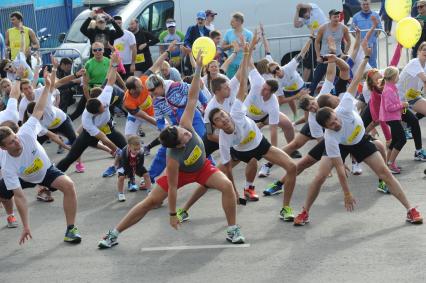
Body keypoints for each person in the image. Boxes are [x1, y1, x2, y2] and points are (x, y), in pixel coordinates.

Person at [98, 52, 245, 249]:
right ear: (179, 146)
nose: (186, 132)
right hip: (182, 173)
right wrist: (172, 214)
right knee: (151, 202)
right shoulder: (173, 158)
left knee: (226, 186)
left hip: (202, 168)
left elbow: (192, 96)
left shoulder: (185, 124)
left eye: (181, 129)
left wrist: (198, 69)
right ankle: (113, 233)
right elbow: (173, 189)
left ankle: (232, 229)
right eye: (183, 135)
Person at [293, 44, 423, 226]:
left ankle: (410, 210)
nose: (337, 123)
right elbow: (339, 168)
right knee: (320, 176)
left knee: (385, 173)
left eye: (336, 119)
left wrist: (366, 59)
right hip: (342, 144)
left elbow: (354, 82)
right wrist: (347, 193)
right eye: (332, 124)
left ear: (335, 112)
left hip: (360, 141)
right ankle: (305, 212)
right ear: (326, 128)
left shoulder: (344, 106)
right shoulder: (331, 137)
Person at [209, 39, 297, 220]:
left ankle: (285, 208)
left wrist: (246, 52)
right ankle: (190, 197)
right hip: (240, 142)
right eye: (220, 119)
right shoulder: (219, 109)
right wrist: (232, 190)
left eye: (266, 89)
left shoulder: (264, 101)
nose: (262, 90)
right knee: (214, 175)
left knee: (292, 167)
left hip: (257, 139)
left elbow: (242, 79)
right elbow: (245, 76)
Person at [0, 72, 82, 245]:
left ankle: (71, 230)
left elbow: (38, 109)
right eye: (11, 143)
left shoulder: (26, 132)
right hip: (24, 177)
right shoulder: (8, 166)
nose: (17, 142)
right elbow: (20, 198)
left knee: (69, 186)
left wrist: (46, 87)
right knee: (3, 194)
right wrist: (26, 226)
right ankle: (9, 215)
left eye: (15, 138)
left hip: (46, 172)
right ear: (3, 148)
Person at [56, 53, 127, 174]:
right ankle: (53, 176)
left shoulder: (103, 98)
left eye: (103, 106)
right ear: (95, 114)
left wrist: (114, 64)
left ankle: (126, 171)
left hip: (107, 126)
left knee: (126, 149)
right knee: (71, 157)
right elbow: (103, 138)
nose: (105, 108)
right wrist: (115, 150)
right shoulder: (87, 120)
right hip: (89, 134)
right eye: (102, 110)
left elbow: (110, 79)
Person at [311, 9, 351, 95]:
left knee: (344, 77)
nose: (337, 18)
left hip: (337, 57)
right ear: (330, 18)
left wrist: (345, 52)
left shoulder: (343, 28)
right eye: (334, 17)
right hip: (324, 58)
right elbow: (317, 42)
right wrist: (318, 56)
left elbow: (349, 41)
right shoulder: (323, 28)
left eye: (338, 16)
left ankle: (346, 95)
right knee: (315, 80)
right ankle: (308, 99)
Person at [379, 66, 408, 173]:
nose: (399, 76)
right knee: (402, 140)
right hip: (391, 118)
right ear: (393, 77)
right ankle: (391, 163)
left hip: (393, 117)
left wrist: (402, 107)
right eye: (397, 75)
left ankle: (388, 163)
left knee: (395, 140)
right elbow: (389, 107)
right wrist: (402, 105)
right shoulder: (388, 90)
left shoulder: (391, 87)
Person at [293, 3, 328, 81]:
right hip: (316, 39)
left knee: (326, 61)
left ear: (308, 10)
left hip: (326, 38)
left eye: (307, 16)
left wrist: (299, 7)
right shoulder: (304, 18)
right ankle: (304, 84)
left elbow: (300, 4)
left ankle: (326, 84)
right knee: (308, 63)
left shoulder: (314, 7)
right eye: (305, 17)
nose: (307, 18)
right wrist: (297, 11)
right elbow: (296, 25)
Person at [116, 135, 151, 202]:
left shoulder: (141, 151)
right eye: (135, 149)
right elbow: (125, 165)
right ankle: (120, 193)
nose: (137, 151)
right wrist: (130, 175)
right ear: (129, 146)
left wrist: (137, 171)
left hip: (136, 164)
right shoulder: (124, 152)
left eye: (138, 148)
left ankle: (149, 191)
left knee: (146, 174)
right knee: (121, 177)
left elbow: (141, 164)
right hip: (124, 165)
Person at [351, 0, 382, 68]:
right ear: (361, 5)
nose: (365, 6)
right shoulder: (355, 16)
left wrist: (374, 38)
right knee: (361, 62)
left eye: (367, 4)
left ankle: (373, 77)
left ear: (370, 4)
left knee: (372, 62)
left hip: (372, 44)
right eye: (364, 4)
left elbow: (379, 28)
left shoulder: (375, 15)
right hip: (361, 45)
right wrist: (358, 39)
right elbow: (352, 30)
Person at [222, 12, 253, 78]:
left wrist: (244, 45)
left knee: (243, 85)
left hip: (244, 64)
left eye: (232, 21)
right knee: (230, 86)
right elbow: (222, 47)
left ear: (239, 22)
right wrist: (232, 45)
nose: (230, 23)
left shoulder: (249, 34)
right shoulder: (228, 33)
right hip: (231, 65)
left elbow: (253, 47)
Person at [113, 16, 137, 80]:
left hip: (127, 64)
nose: (118, 24)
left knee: (128, 84)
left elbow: (134, 49)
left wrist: (133, 64)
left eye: (119, 23)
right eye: (116, 23)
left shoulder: (129, 34)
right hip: (116, 64)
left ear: (122, 23)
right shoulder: (111, 34)